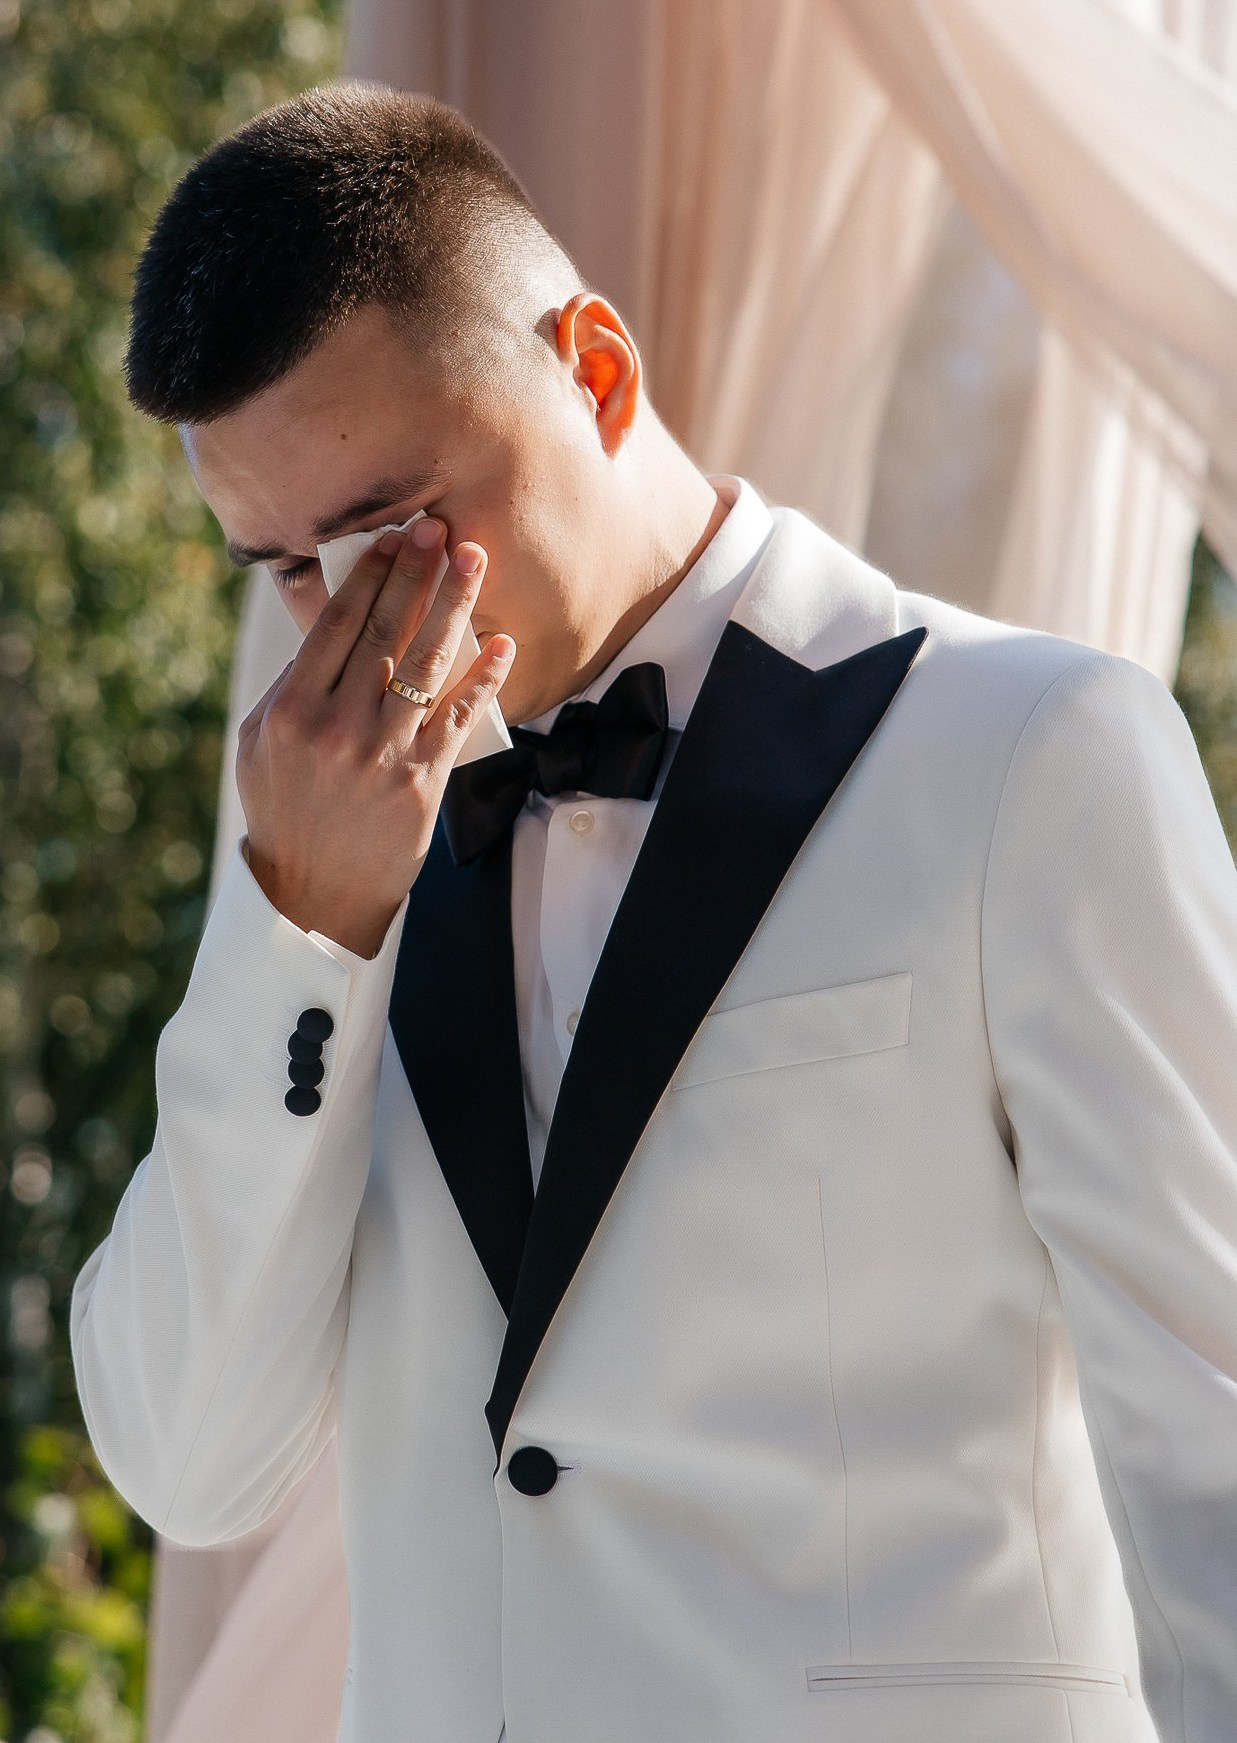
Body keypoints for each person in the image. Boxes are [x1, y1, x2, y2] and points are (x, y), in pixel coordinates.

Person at [70, 81, 1237, 1743]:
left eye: (392, 529)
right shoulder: (318, 850)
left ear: (596, 372)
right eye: (282, 569)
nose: (351, 622)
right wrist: (297, 928)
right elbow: (190, 1462)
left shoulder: (1032, 755)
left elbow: (1213, 1444)